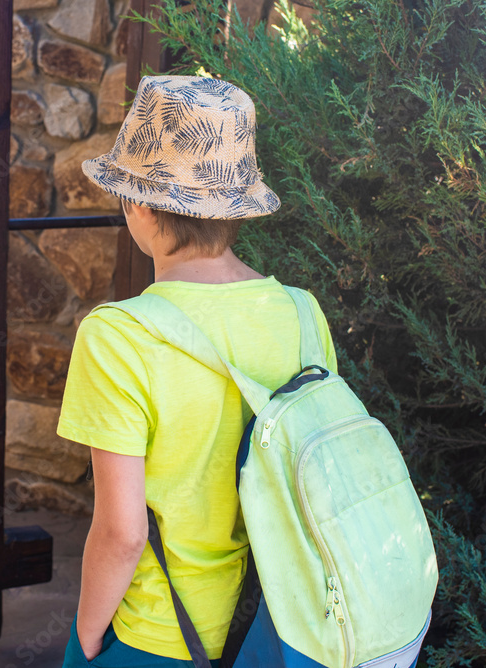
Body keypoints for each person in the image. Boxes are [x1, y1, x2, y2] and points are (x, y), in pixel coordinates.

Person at [57, 76, 339, 666]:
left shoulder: (118, 335)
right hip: (285, 631)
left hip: (163, 637)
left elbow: (123, 533)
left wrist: (84, 641)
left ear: (136, 203)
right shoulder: (302, 312)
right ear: (236, 208)